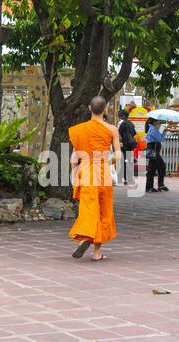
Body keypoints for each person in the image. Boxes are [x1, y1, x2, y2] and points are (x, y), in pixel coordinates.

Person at [69, 96, 121, 261]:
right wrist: (108, 160)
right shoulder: (112, 129)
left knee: (88, 208)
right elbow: (118, 155)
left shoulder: (78, 129)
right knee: (103, 210)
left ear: (90, 109)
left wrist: (75, 173)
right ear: (104, 109)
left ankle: (85, 237)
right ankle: (97, 253)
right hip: (103, 171)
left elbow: (74, 158)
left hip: (86, 171)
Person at [145, 117, 169, 193]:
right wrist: (164, 131)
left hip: (154, 149)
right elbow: (160, 139)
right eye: (158, 121)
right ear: (155, 122)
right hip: (153, 149)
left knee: (157, 167)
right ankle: (150, 187)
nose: (159, 122)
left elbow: (159, 136)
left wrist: (163, 130)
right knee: (154, 168)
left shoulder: (154, 128)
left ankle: (159, 185)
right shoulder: (153, 129)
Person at [118, 109, 137, 185]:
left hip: (124, 145)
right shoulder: (131, 123)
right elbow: (134, 133)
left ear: (122, 116)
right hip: (131, 144)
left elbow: (119, 134)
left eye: (119, 115)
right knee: (129, 161)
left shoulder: (122, 123)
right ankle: (128, 178)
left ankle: (124, 178)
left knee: (124, 161)